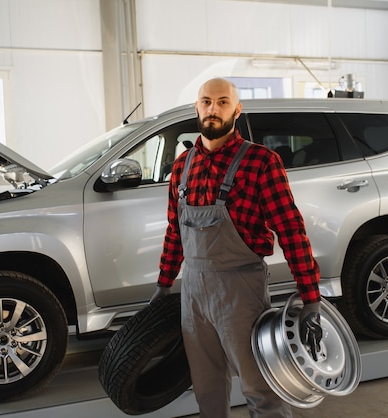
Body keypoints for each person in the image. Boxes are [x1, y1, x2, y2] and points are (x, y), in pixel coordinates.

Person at [150, 78, 322, 417]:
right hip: (193, 292)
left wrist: (311, 298)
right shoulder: (182, 166)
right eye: (207, 101)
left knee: (260, 388)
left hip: (241, 290)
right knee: (206, 389)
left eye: (223, 102)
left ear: (237, 110)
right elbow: (175, 231)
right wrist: (164, 283)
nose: (213, 109)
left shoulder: (261, 162)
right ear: (197, 107)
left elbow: (291, 231)